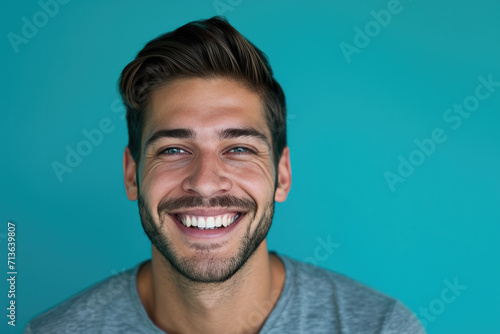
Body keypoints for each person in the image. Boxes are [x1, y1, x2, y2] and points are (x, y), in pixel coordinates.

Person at [23, 16, 425, 334]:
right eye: (174, 150)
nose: (205, 181)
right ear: (132, 175)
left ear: (282, 176)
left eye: (238, 149)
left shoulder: (380, 327)